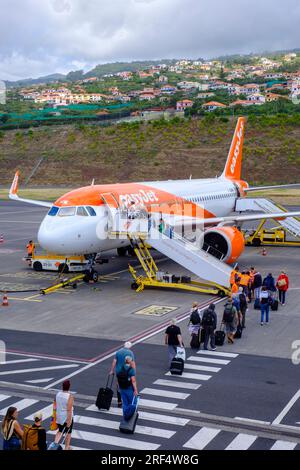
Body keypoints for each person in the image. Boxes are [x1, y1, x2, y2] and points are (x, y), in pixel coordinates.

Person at [110, 342, 136, 408]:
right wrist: (134, 372)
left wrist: (112, 370)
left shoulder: (118, 352)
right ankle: (127, 399)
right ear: (130, 347)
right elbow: (132, 363)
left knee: (118, 385)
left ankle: (119, 401)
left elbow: (114, 361)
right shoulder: (130, 353)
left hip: (119, 372)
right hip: (127, 371)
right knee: (129, 383)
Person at [117, 356, 139, 421]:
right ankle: (130, 416)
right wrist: (135, 390)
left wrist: (118, 387)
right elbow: (133, 381)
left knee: (125, 403)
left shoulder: (120, 368)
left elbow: (118, 378)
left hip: (122, 388)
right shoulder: (131, 370)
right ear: (130, 361)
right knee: (133, 402)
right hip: (129, 389)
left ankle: (125, 415)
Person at [54, 380, 74, 451]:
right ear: (69, 387)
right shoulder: (70, 396)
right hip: (66, 417)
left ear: (62, 386)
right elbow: (69, 410)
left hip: (59, 416)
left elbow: (56, 405)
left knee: (60, 431)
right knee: (68, 433)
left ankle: (54, 445)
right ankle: (66, 447)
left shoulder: (58, 394)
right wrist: (69, 422)